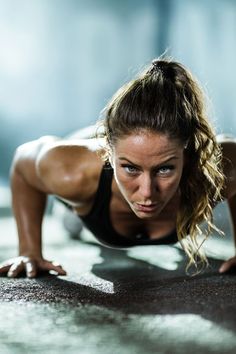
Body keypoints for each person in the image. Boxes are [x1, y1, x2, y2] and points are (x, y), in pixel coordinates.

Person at [0, 58, 236, 278]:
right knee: (71, 215)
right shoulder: (72, 172)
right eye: (131, 169)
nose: (147, 193)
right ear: (109, 155)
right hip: (88, 180)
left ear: (186, 153)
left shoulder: (216, 167)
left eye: (164, 169)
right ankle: (73, 210)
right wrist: (29, 251)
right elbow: (23, 163)